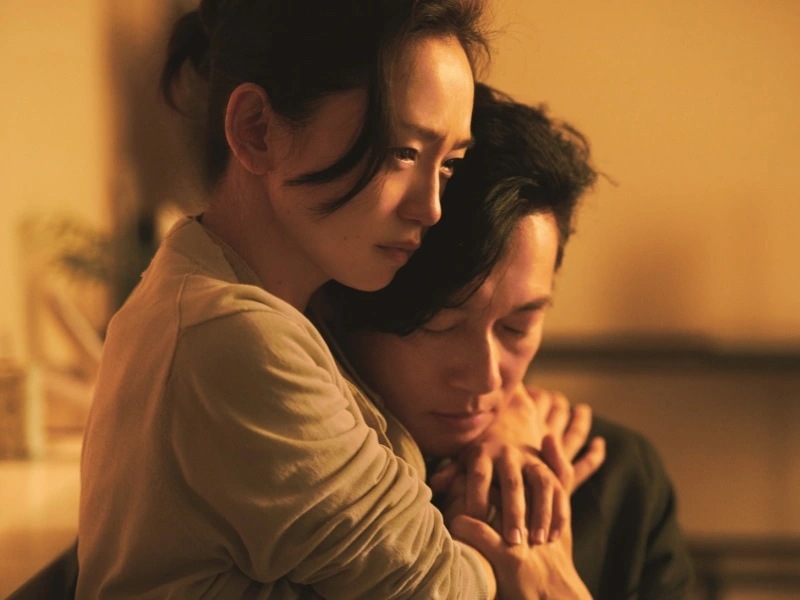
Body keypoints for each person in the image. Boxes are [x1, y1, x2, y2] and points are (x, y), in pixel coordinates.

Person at [75, 1, 535, 598]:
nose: (430, 207)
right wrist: (513, 548)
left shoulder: (236, 292)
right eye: (401, 151)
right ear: (257, 130)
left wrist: (504, 424)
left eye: (448, 164)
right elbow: (440, 588)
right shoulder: (234, 337)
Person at [323, 83, 694, 599]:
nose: (486, 377)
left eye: (517, 327)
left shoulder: (618, 478)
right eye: (439, 326)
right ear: (347, 300)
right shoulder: (316, 484)